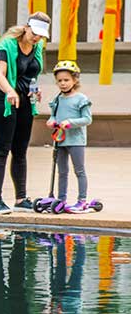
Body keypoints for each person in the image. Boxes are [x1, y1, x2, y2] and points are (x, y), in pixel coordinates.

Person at [0, 13, 50, 214]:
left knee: (20, 151)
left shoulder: (37, 47)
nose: (37, 37)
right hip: (2, 100)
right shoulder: (7, 45)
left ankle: (21, 198)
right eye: (34, 33)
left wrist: (35, 89)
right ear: (26, 27)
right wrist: (10, 91)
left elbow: (32, 75)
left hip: (24, 101)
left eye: (41, 35)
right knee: (1, 150)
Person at [46, 60, 93, 213]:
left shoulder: (81, 99)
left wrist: (70, 122)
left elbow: (87, 119)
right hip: (60, 140)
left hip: (76, 141)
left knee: (79, 170)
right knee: (62, 172)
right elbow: (53, 115)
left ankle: (82, 200)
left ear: (75, 80)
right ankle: (61, 199)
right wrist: (51, 121)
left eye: (66, 80)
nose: (63, 83)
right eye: (59, 80)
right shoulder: (57, 99)